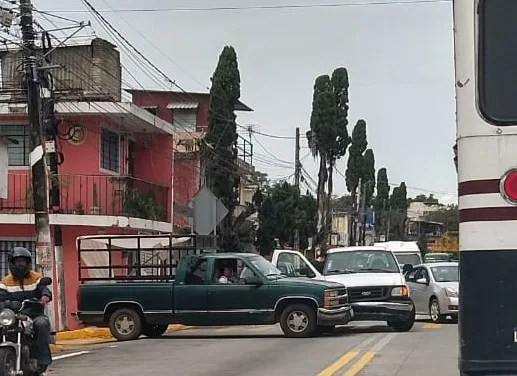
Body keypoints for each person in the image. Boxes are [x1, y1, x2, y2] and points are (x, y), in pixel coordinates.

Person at [0, 247, 52, 374]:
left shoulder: (36, 277)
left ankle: (42, 360)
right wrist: (8, 304)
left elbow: (44, 289)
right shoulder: (5, 282)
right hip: (14, 315)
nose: (21, 264)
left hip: (34, 314)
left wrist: (45, 296)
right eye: (18, 261)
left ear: (28, 263)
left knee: (42, 324)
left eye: (23, 261)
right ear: (12, 262)